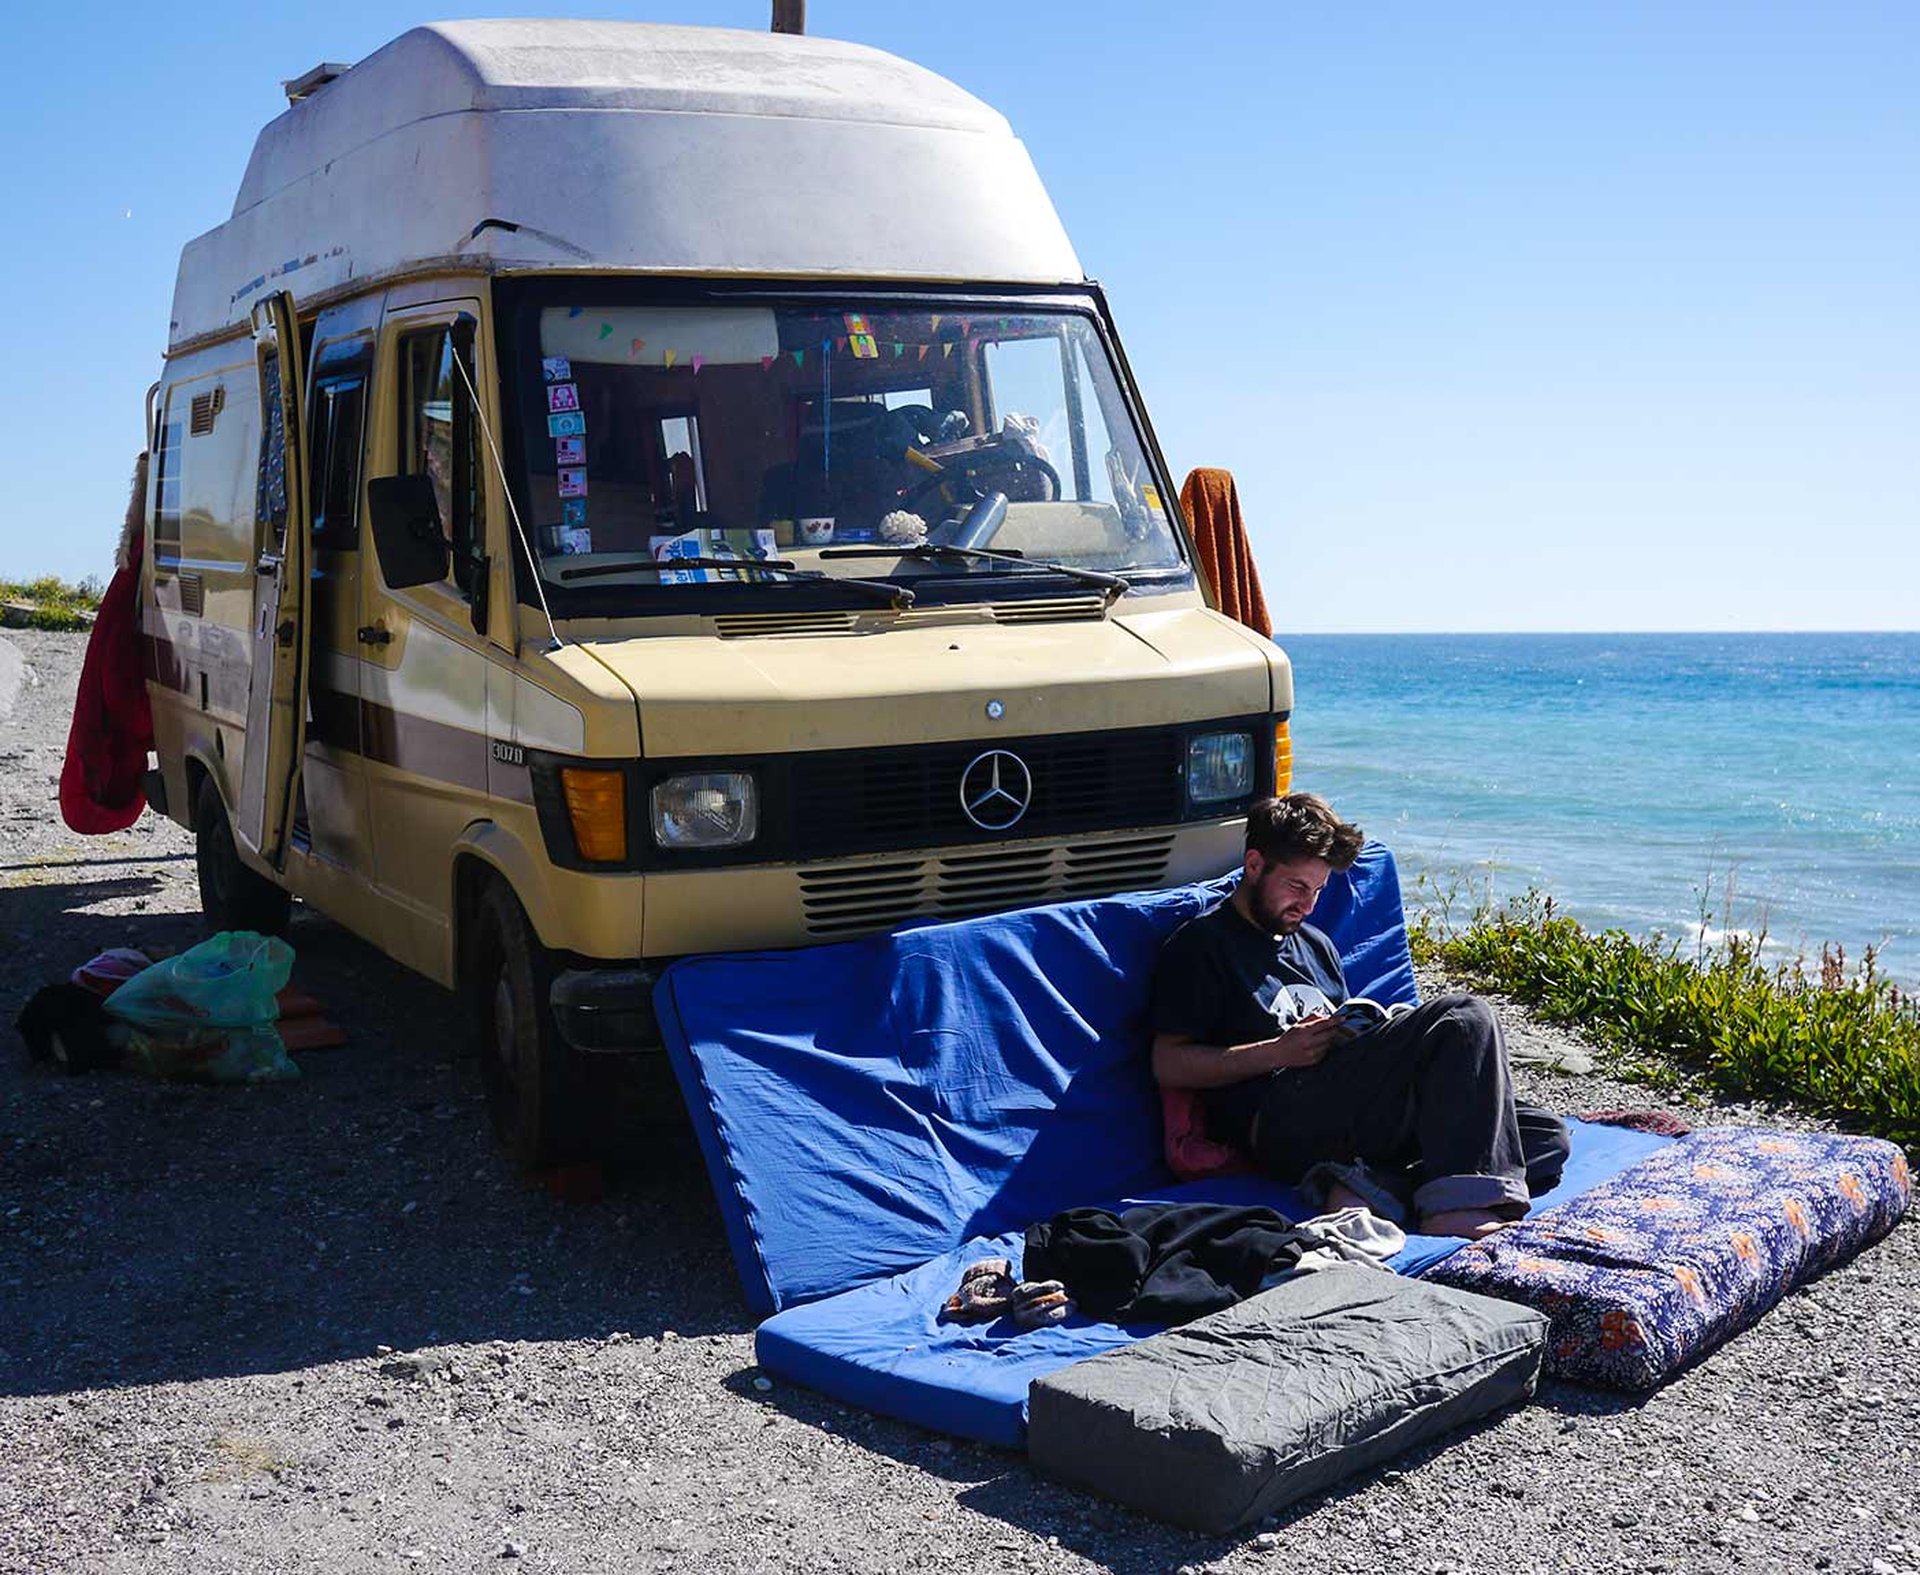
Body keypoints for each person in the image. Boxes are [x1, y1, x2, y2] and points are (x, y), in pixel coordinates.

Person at [1151, 793, 1569, 1239]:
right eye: (1296, 887)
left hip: (1347, 1109)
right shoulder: (1202, 945)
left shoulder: (1315, 944)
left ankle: (1370, 1184)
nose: (1307, 905)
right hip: (1279, 1116)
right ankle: (1454, 1210)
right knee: (1466, 1017)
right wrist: (1278, 1052)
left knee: (1545, 1137)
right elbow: (1168, 1064)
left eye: (1318, 891)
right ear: (1254, 865)